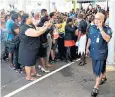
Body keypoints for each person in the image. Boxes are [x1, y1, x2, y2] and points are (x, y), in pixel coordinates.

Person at [18, 13, 52, 81]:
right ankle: (28, 77)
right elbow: (37, 33)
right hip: (28, 48)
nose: (32, 19)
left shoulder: (30, 25)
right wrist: (45, 27)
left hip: (32, 48)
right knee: (28, 63)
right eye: (30, 17)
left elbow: (38, 29)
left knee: (32, 61)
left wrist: (45, 26)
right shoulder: (24, 28)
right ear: (27, 19)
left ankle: (33, 73)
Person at [86, 13, 112, 97]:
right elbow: (90, 38)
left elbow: (107, 39)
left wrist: (101, 28)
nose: (96, 20)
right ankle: (103, 77)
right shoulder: (91, 28)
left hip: (101, 53)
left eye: (98, 19)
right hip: (93, 52)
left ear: (102, 20)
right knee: (98, 68)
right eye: (95, 18)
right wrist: (87, 47)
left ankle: (96, 87)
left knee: (98, 71)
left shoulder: (107, 29)